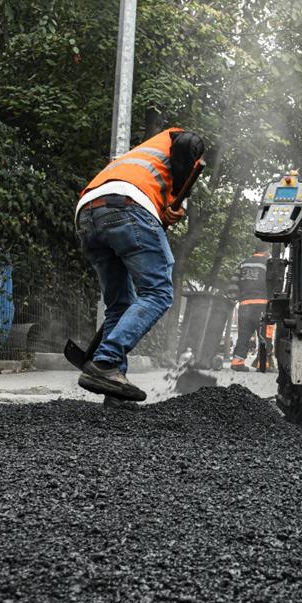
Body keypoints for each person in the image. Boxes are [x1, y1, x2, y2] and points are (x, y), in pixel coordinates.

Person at [75, 127, 205, 403]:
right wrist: (174, 198)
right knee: (157, 292)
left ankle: (113, 391)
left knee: (119, 306)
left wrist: (169, 207)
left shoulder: (142, 157)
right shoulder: (179, 138)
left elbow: (158, 194)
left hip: (88, 212)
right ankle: (106, 361)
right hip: (126, 205)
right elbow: (187, 142)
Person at [230, 251, 269, 372]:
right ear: (266, 251)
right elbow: (274, 284)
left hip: (245, 304)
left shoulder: (243, 263)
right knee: (264, 335)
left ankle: (237, 362)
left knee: (243, 334)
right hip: (262, 305)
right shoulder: (268, 263)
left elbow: (233, 283)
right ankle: (262, 365)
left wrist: (234, 297)